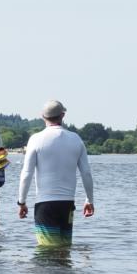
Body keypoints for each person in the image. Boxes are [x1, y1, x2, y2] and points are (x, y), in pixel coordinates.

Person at [17, 100, 95, 246]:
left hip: (45, 204)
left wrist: (21, 202)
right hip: (67, 204)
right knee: (64, 249)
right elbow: (86, 173)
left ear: (42, 116)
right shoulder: (76, 139)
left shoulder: (36, 139)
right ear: (63, 115)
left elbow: (26, 173)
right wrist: (89, 200)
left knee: (47, 251)